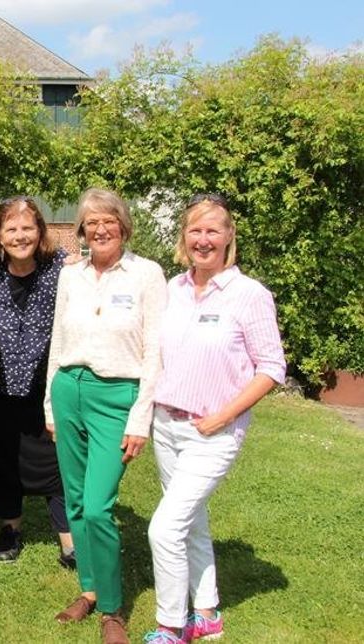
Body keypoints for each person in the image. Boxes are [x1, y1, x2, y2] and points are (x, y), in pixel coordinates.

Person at [143, 194, 285, 643]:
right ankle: (207, 614)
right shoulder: (174, 288)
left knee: (164, 528)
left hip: (214, 432)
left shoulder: (249, 295)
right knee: (192, 522)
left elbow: (272, 368)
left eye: (212, 231)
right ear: (184, 236)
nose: (203, 240)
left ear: (228, 237)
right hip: (167, 426)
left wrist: (222, 415)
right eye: (195, 230)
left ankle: (171, 625)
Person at [44, 188, 166, 644]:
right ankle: (90, 589)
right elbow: (58, 340)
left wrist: (140, 418)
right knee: (75, 501)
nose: (99, 229)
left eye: (107, 220)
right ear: (81, 230)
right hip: (68, 389)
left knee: (97, 506)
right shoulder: (70, 275)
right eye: (90, 222)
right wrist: (49, 404)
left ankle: (113, 610)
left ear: (124, 226)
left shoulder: (147, 274)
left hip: (117, 395)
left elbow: (155, 350)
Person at [0, 197, 75, 566]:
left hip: (47, 387)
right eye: (11, 229)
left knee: (56, 462)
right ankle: (10, 529)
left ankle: (68, 539)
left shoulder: (63, 270)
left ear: (40, 231)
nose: (20, 236)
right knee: (3, 459)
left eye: (27, 228)